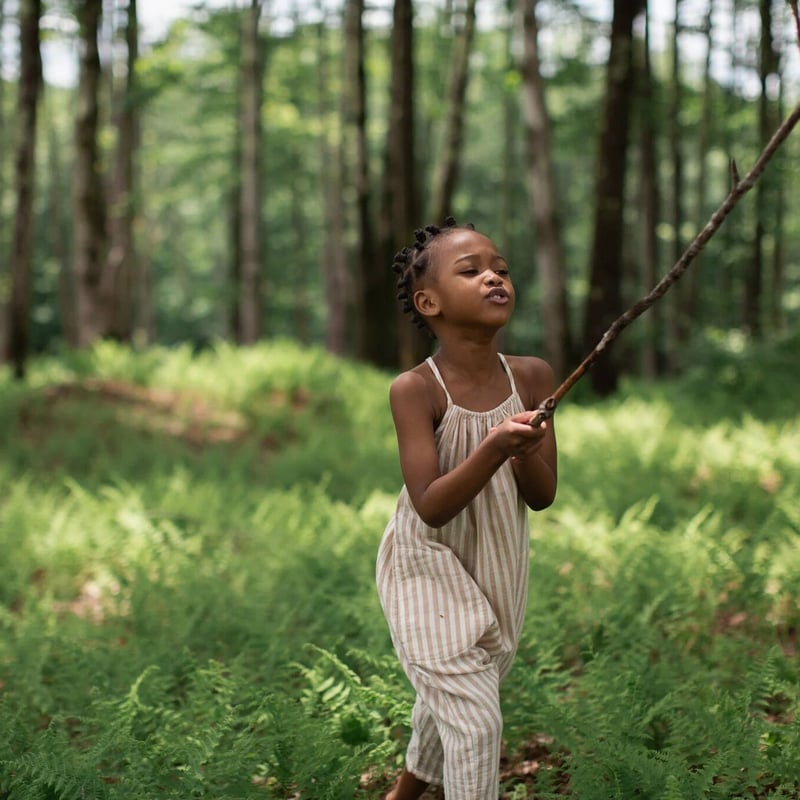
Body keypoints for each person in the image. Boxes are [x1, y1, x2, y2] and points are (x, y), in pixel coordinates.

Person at [376, 217, 558, 800]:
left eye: (500, 269)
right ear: (429, 301)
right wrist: (494, 446)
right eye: (471, 270)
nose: (493, 278)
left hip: (496, 562)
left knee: (464, 689)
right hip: (424, 563)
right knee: (477, 720)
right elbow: (430, 506)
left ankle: (403, 794)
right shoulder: (416, 388)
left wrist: (524, 451)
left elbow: (543, 494)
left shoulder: (531, 377)